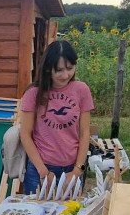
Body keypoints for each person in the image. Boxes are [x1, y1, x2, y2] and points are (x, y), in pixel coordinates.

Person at [18, 39, 94, 194]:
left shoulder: (82, 90)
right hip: (40, 169)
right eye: (58, 70)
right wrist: (43, 171)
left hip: (72, 169)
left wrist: (77, 170)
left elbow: (85, 133)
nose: (65, 75)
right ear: (47, 69)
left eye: (70, 68)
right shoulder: (33, 93)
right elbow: (25, 134)